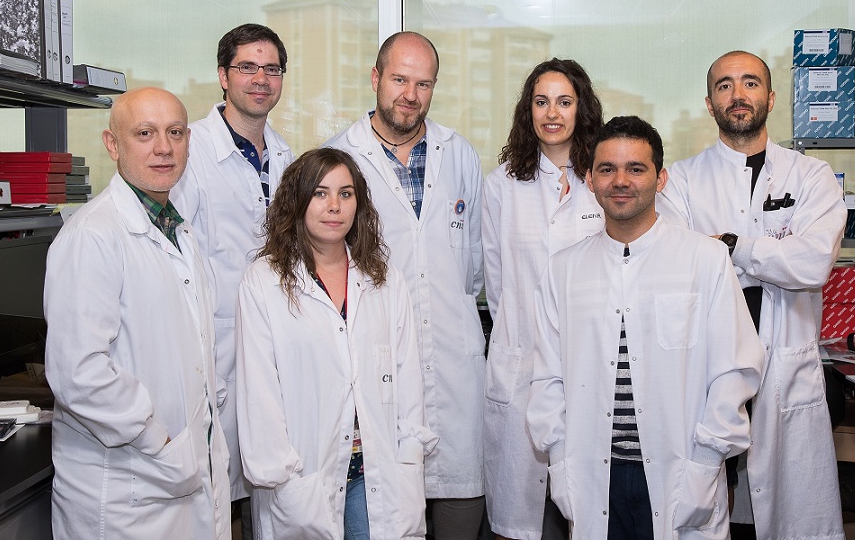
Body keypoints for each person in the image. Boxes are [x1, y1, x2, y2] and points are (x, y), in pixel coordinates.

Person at [527, 115, 763, 540]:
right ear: (589, 179)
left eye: (636, 168)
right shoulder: (563, 269)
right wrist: (560, 460)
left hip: (682, 469)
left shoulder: (704, 260)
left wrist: (707, 462)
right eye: (607, 169)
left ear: (661, 178)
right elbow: (547, 379)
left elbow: (735, 371)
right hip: (595, 475)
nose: (621, 181)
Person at [658, 51, 846, 539]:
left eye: (750, 83)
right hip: (707, 360)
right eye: (724, 86)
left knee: (789, 512)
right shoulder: (681, 179)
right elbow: (679, 266)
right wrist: (770, 256)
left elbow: (812, 263)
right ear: (709, 101)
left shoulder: (812, 176)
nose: (738, 95)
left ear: (770, 96)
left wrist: (735, 248)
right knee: (708, 497)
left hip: (786, 364)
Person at [44, 87, 231, 539]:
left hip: (180, 475)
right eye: (145, 133)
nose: (163, 147)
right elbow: (79, 374)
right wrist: (158, 440)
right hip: (126, 487)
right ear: (113, 144)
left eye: (175, 133)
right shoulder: (93, 236)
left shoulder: (177, 230)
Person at [325, 31, 486, 538]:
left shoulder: (459, 155)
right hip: (378, 376)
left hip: (457, 373)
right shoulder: (337, 160)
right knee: (385, 513)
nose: (410, 95)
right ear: (376, 78)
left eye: (423, 83)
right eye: (399, 79)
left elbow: (475, 269)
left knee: (461, 507)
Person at [235, 148, 437, 539]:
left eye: (346, 194)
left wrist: (410, 452)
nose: (334, 206)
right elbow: (259, 391)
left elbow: (407, 375)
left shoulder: (383, 276)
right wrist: (281, 474)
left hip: (376, 471)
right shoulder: (264, 281)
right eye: (320, 193)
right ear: (298, 201)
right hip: (304, 477)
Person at [170, 23, 294, 528]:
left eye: (271, 69)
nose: (260, 79)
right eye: (247, 67)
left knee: (266, 493)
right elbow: (174, 263)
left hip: (269, 351)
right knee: (211, 505)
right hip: (210, 358)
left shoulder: (284, 155)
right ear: (223, 76)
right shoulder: (189, 151)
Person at [482, 58, 604, 540]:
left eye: (564, 101)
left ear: (582, 109)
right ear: (527, 110)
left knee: (591, 508)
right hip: (522, 362)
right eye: (541, 101)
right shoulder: (502, 185)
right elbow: (496, 281)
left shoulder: (603, 180)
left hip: (590, 361)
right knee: (521, 517)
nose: (551, 113)